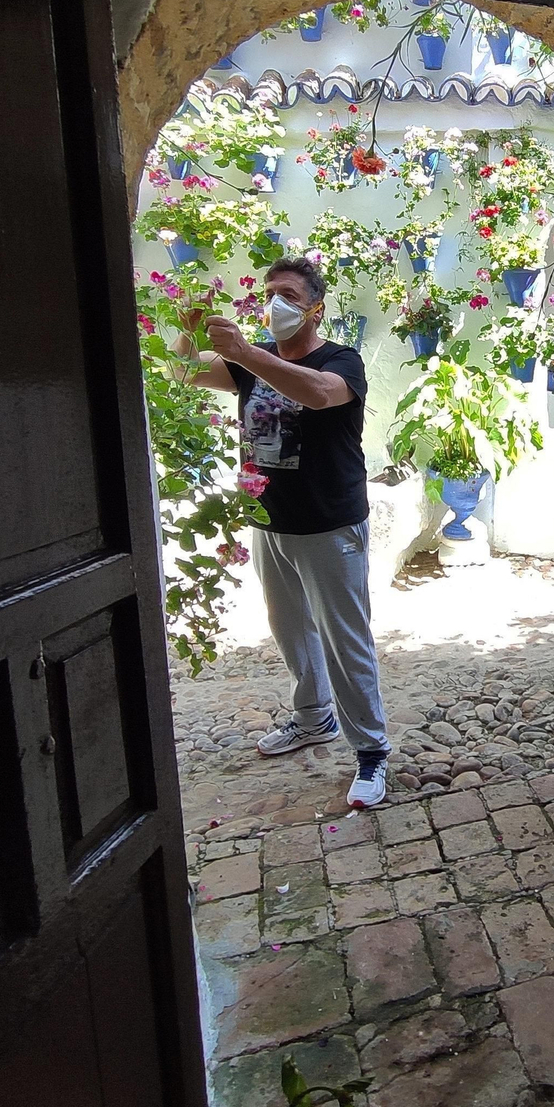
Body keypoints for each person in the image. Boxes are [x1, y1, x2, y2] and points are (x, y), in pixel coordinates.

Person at [172, 256, 392, 807]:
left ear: (315, 307)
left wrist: (244, 352)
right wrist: (188, 327)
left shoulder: (341, 359)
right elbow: (184, 372)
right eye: (271, 291)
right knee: (290, 629)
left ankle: (371, 752)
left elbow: (319, 393)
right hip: (270, 520)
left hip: (329, 521)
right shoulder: (256, 360)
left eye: (289, 294)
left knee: (345, 639)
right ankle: (313, 718)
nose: (277, 303)